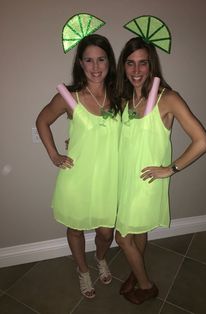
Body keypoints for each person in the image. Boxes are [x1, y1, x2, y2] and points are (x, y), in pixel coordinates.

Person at [115, 37, 206, 305]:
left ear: (151, 65)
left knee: (122, 238)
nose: (136, 70)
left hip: (146, 183)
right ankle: (137, 273)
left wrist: (170, 169)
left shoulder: (167, 98)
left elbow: (202, 141)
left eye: (142, 63)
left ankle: (146, 285)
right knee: (138, 232)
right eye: (130, 64)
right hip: (125, 182)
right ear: (123, 67)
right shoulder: (126, 100)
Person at [36, 34, 120, 299]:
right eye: (89, 60)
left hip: (109, 177)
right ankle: (83, 270)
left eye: (101, 59)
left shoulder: (120, 95)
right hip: (78, 176)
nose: (95, 67)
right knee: (76, 227)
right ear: (80, 64)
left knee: (106, 231)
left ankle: (100, 256)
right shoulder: (69, 97)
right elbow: (42, 121)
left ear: (109, 62)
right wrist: (54, 154)